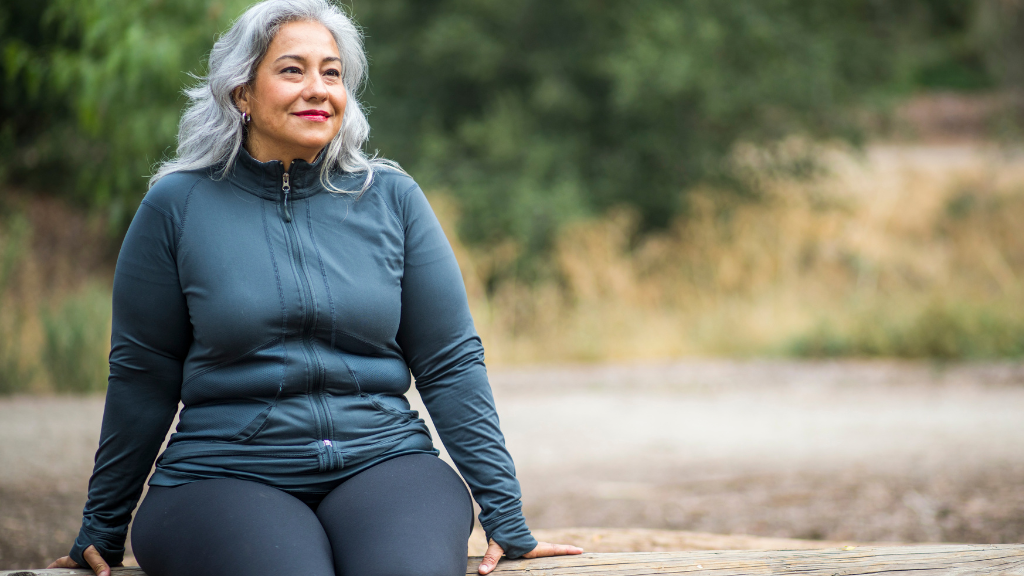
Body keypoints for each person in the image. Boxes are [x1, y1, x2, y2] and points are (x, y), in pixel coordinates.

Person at [47, 1, 582, 575]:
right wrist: (102, 525)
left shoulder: (391, 199)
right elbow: (143, 373)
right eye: (292, 70)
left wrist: (506, 515)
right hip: (224, 473)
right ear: (241, 94)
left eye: (332, 73)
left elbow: (450, 363)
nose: (318, 89)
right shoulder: (176, 207)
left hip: (384, 460)